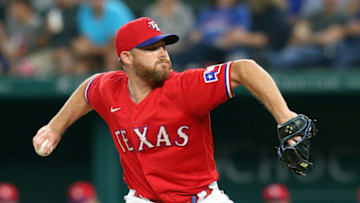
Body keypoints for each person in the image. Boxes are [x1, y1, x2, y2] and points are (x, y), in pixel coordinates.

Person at [33, 17, 304, 203]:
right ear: (127, 57)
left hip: (198, 198)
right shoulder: (110, 88)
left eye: (163, 46)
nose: (162, 53)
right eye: (151, 48)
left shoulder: (185, 86)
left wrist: (285, 116)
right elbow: (88, 90)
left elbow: (244, 69)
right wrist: (55, 127)